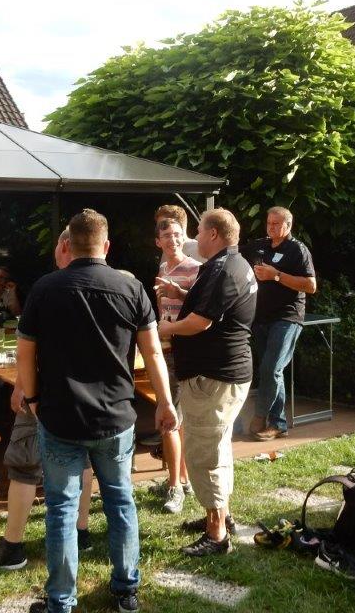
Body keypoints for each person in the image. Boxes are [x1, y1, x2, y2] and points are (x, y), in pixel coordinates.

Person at [16, 209, 179, 613]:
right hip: (115, 419)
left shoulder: (44, 288)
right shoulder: (131, 288)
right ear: (106, 245)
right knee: (121, 502)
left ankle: (60, 602)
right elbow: (153, 352)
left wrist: (32, 400)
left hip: (60, 417)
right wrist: (165, 401)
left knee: (61, 509)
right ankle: (126, 591)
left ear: (68, 244)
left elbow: (25, 354)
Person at [0, 229, 96, 572]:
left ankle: (12, 547)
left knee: (24, 464)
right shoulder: (112, 284)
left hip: (46, 391)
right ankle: (81, 533)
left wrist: (23, 386)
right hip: (90, 396)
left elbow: (30, 346)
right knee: (82, 459)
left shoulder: (49, 287)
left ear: (65, 247)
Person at [158, 208, 256, 557]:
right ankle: (221, 516)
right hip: (223, 375)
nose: (194, 237)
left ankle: (216, 534)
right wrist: (180, 293)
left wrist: (167, 328)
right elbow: (213, 306)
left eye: (198, 231)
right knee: (217, 447)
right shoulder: (232, 264)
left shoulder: (223, 269)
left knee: (205, 454)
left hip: (213, 378)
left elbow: (202, 322)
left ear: (214, 234)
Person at [244, 207, 316, 441]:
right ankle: (278, 424)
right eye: (269, 223)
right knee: (272, 371)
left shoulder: (297, 249)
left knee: (271, 368)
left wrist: (276, 275)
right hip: (261, 318)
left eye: (276, 224)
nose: (271, 227)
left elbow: (311, 286)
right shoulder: (260, 246)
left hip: (287, 318)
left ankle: (260, 416)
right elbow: (233, 252)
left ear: (288, 225)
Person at [150, 217, 199, 513]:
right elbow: (162, 310)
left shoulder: (195, 269)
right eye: (167, 235)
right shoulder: (163, 269)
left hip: (184, 352)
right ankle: (183, 479)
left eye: (178, 234)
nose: (173, 240)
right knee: (175, 418)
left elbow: (200, 309)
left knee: (169, 418)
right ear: (158, 241)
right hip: (165, 349)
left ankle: (174, 488)